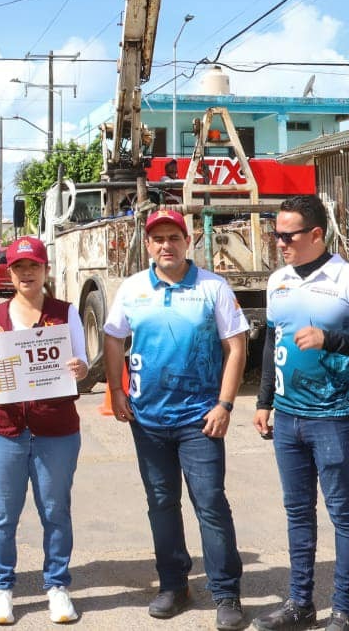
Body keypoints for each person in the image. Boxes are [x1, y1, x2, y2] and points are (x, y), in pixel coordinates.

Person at [251, 195, 349, 631]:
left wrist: (332, 340)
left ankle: (344, 612)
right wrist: (264, 401)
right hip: (288, 419)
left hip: (334, 417)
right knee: (297, 513)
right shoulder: (277, 281)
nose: (279, 243)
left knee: (342, 513)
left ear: (316, 234)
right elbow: (270, 345)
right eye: (275, 234)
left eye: (287, 235)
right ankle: (300, 604)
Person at [104, 209, 250, 631]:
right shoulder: (132, 288)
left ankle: (226, 592)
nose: (165, 245)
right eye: (157, 239)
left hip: (199, 420)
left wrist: (224, 404)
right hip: (147, 419)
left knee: (211, 504)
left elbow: (235, 346)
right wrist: (116, 390)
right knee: (161, 504)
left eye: (173, 237)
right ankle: (173, 584)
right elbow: (113, 338)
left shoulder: (212, 287)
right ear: (148, 245)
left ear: (187, 242)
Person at [0, 235, 85, 626]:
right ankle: (2, 588)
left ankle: (57, 586)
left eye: (34, 266)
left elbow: (80, 362)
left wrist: (79, 369)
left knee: (55, 510)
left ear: (45, 269)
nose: (27, 273)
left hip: (56, 428)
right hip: (4, 429)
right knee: (2, 513)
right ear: (9, 273)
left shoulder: (66, 314)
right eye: (19, 267)